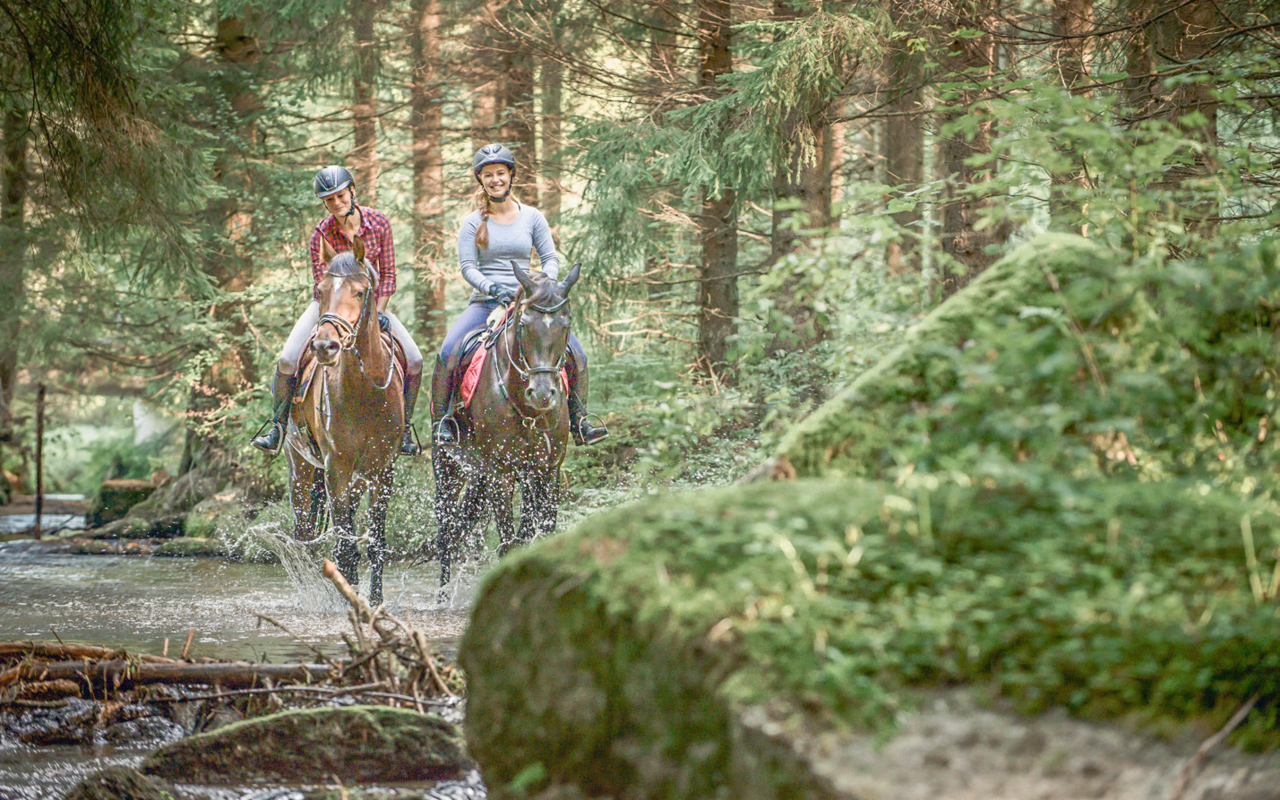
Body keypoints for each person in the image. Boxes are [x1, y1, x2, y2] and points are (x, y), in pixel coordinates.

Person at [431, 143, 607, 447]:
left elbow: (550, 258)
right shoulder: (473, 222)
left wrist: (543, 286)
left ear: (511, 176)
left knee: (577, 355)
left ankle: (579, 421)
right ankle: (444, 422)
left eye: (500, 173)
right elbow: (468, 266)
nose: (495, 179)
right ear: (481, 180)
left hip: (530, 300)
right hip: (487, 302)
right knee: (449, 352)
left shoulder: (532, 217)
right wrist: (491, 288)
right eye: (488, 175)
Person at [250, 165, 424, 456]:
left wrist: (379, 312)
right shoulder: (322, 232)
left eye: (341, 196)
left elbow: (389, 275)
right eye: (329, 200)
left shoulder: (379, 223)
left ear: (352, 192)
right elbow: (322, 283)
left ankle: (404, 429)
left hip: (370, 306)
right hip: (328, 307)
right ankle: (277, 427)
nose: (337, 203)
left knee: (416, 360)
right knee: (287, 359)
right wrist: (331, 314)